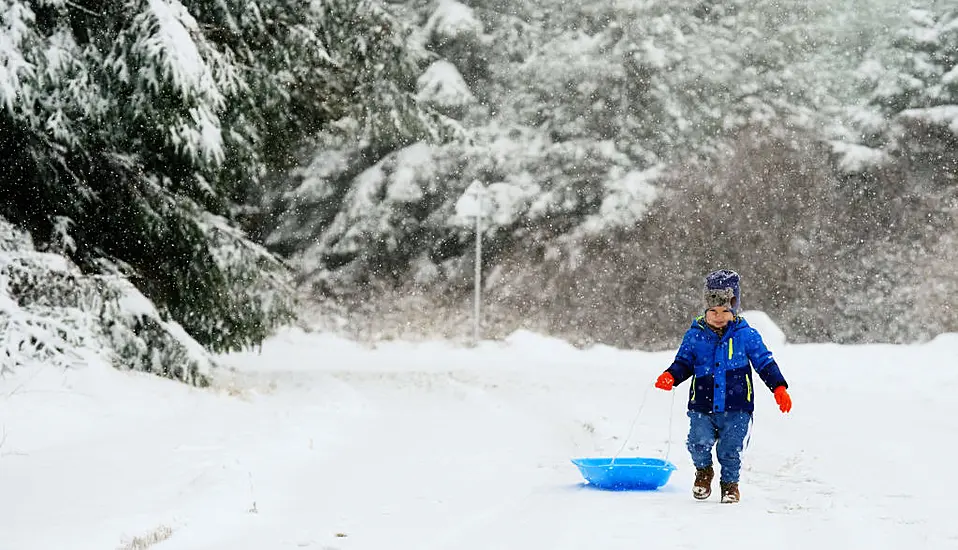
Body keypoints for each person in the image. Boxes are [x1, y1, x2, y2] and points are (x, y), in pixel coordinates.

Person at [654, 269, 792, 504]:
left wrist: (778, 387)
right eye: (713, 311)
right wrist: (671, 376)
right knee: (697, 442)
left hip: (737, 406)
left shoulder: (746, 335)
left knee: (730, 450)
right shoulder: (695, 336)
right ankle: (704, 472)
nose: (718, 317)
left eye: (725, 311)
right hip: (702, 406)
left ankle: (729, 485)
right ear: (705, 310)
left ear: (734, 310)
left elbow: (764, 362)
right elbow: (684, 362)